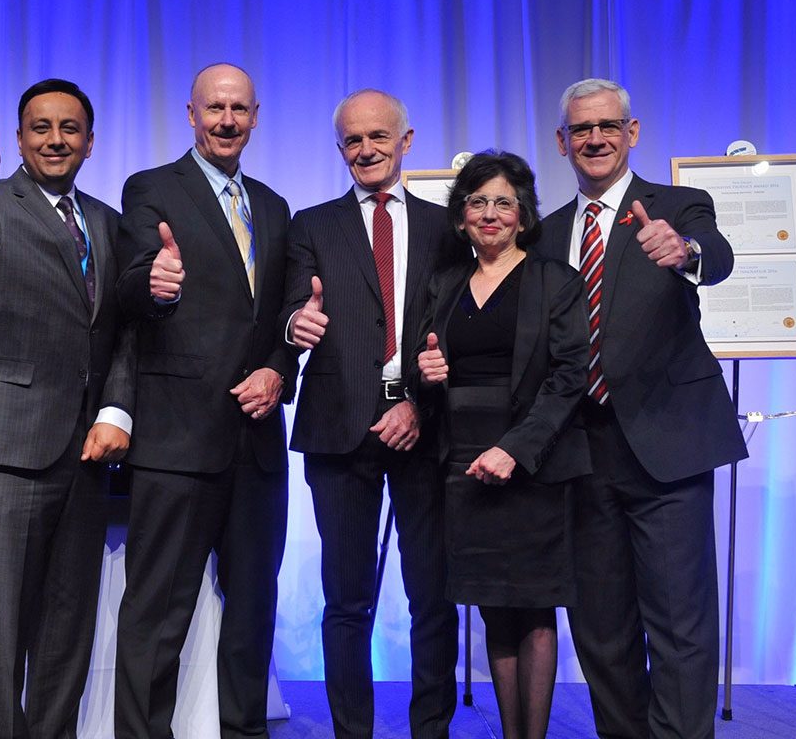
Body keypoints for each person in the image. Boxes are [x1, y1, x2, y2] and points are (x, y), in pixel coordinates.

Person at [535, 78, 747, 739]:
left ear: (632, 133)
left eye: (608, 126)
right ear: (562, 141)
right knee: (601, 630)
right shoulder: (543, 235)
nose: (595, 139)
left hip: (668, 448)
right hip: (580, 455)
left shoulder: (679, 206)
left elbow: (717, 255)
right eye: (582, 130)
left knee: (681, 624)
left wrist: (684, 252)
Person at [0, 78, 134, 739]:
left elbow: (121, 328)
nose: (54, 139)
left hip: (84, 452)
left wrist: (115, 410)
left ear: (90, 141)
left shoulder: (106, 220)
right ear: (18, 139)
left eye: (69, 128)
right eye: (40, 127)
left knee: (66, 627)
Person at [112, 63, 297, 739]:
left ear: (255, 116)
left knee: (253, 617)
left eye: (238, 109)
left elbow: (283, 319)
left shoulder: (276, 208)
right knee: (156, 618)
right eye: (214, 108)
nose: (226, 120)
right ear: (190, 113)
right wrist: (153, 283)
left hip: (256, 444)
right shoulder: (153, 189)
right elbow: (131, 289)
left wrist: (280, 369)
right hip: (175, 442)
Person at [280, 89, 466, 738]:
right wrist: (292, 324)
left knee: (434, 601)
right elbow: (287, 313)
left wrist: (420, 400)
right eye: (353, 141)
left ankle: (430, 730)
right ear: (340, 150)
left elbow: (460, 333)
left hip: (428, 428)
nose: (366, 150)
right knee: (346, 603)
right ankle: (351, 732)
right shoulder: (311, 225)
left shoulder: (450, 230)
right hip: (339, 430)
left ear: (406, 142)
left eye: (378, 138)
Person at [413, 151, 589, 739]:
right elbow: (425, 368)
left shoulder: (554, 280)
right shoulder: (444, 283)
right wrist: (427, 372)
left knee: (534, 610)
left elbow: (570, 376)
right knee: (492, 607)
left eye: (503, 203)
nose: (490, 214)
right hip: (463, 460)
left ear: (522, 215)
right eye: (478, 202)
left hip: (533, 461)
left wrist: (516, 448)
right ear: (461, 216)